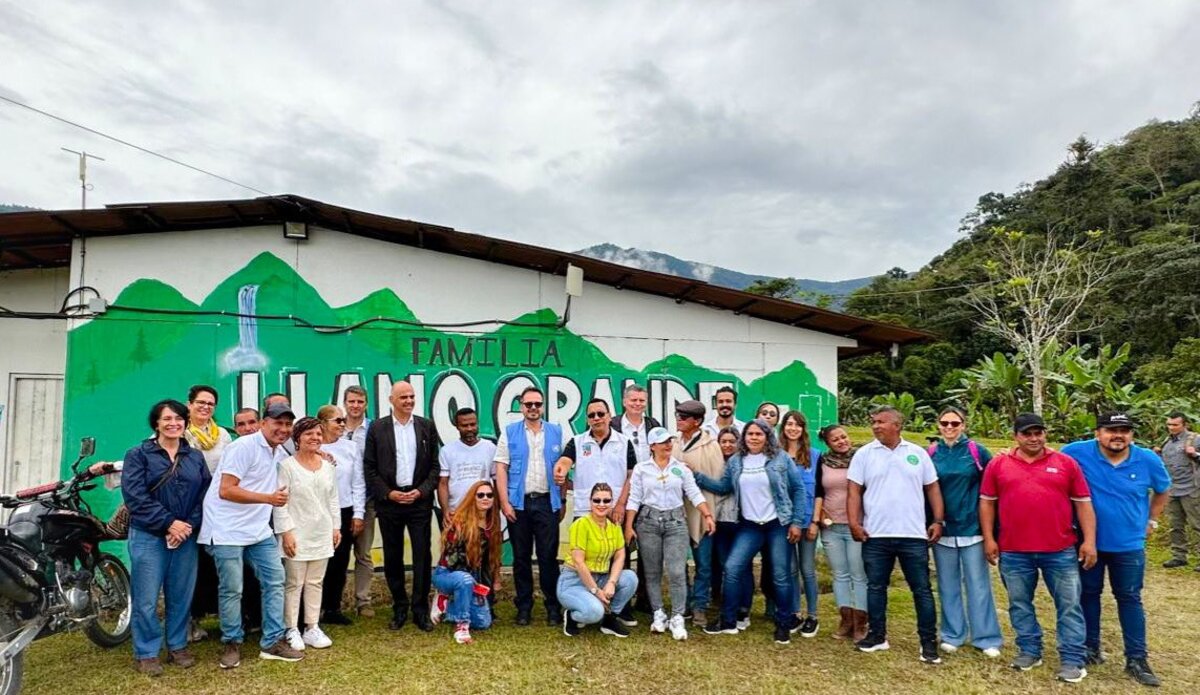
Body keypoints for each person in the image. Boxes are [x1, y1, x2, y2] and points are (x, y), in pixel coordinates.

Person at [980, 413, 1096, 684]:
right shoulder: (999, 464)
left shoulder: (1066, 463)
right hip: (1014, 550)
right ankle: (1030, 650)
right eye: (1027, 433)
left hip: (1060, 549)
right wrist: (989, 538)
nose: (1034, 438)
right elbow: (987, 502)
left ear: (1045, 434)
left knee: (1069, 605)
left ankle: (1072, 659)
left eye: (1038, 433)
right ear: (1015, 436)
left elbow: (1083, 502)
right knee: (1019, 604)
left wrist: (1089, 541)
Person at [1061, 412, 1171, 687]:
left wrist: (1152, 519)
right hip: (1089, 543)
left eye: (1124, 430)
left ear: (1132, 434)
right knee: (1088, 594)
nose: (1118, 435)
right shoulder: (1076, 452)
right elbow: (1045, 461)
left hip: (1129, 545)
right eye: (1111, 430)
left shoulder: (1147, 459)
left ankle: (1136, 658)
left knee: (1129, 598)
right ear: (1097, 432)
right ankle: (1090, 648)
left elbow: (1163, 490)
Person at [198, 402, 304, 669]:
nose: (283, 429)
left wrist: (324, 456)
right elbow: (226, 490)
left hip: (258, 530)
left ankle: (272, 642)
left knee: (275, 581)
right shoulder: (241, 447)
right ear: (263, 424)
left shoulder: (278, 453)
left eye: (287, 424)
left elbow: (299, 466)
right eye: (277, 423)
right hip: (225, 530)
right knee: (232, 589)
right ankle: (232, 642)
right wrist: (268, 498)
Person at [847, 406, 944, 664]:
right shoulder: (864, 454)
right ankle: (877, 636)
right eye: (873, 422)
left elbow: (932, 488)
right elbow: (854, 491)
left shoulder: (917, 454)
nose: (875, 426)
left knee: (921, 589)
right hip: (875, 535)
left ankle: (928, 643)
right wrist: (854, 523)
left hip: (913, 535)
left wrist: (937, 520)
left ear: (897, 425)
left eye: (881, 422)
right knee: (876, 587)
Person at [695, 419, 806, 645]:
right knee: (733, 568)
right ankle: (728, 621)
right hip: (749, 525)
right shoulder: (737, 461)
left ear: (767, 436)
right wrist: (696, 476)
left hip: (778, 524)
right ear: (744, 437)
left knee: (780, 575)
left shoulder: (781, 458)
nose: (753, 438)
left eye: (758, 434)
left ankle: (784, 624)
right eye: (749, 434)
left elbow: (798, 489)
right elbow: (724, 487)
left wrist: (796, 522)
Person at [124, 399, 212, 676]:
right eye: (167, 419)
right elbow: (135, 497)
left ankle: (177, 645)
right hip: (149, 536)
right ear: (156, 423)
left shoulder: (194, 457)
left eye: (178, 418)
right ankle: (147, 652)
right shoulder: (138, 454)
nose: (173, 423)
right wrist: (168, 523)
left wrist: (186, 525)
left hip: (185, 536)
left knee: (180, 596)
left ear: (186, 423)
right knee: (147, 598)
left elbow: (205, 495)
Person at [362, 381, 441, 631]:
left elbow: (435, 467)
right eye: (403, 397)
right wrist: (389, 493)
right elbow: (369, 467)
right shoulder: (377, 428)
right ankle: (399, 607)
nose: (408, 401)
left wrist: (422, 491)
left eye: (412, 396)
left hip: (419, 502)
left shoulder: (426, 426)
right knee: (393, 557)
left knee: (422, 555)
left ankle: (420, 610)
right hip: (390, 504)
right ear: (391, 399)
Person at [625, 427, 715, 640]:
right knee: (652, 571)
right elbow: (634, 498)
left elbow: (693, 493)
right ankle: (658, 612)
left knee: (676, 571)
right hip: (648, 521)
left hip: (675, 522)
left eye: (669, 441)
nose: (668, 445)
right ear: (652, 446)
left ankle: (677, 615)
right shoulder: (641, 469)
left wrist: (707, 515)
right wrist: (629, 526)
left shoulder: (680, 468)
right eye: (663, 442)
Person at [927, 406, 1003, 658]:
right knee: (947, 585)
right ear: (938, 425)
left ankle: (986, 637)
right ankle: (952, 634)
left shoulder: (977, 451)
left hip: (973, 527)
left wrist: (993, 531)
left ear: (964, 424)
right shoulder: (931, 453)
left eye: (955, 423)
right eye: (944, 423)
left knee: (978, 584)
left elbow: (995, 484)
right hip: (943, 530)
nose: (949, 428)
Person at [495, 385, 567, 626]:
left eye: (537, 404)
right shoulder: (510, 432)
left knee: (548, 557)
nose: (533, 408)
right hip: (520, 504)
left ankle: (553, 607)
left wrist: (563, 499)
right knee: (521, 558)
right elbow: (501, 468)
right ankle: (524, 606)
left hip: (547, 502)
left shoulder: (557, 432)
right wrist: (505, 502)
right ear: (521, 407)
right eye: (529, 404)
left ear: (543, 405)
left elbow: (564, 469)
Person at [275, 417, 341, 651]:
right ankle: (290, 628)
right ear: (297, 439)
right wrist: (287, 533)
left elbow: (333, 499)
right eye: (309, 434)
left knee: (315, 582)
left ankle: (311, 627)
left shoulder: (328, 466)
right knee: (294, 583)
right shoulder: (287, 466)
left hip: (322, 532)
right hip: (296, 533)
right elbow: (280, 503)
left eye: (318, 434)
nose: (315, 438)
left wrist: (336, 527)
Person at [671, 400, 729, 628]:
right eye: (678, 415)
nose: (679, 420)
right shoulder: (673, 443)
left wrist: (695, 476)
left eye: (683, 417)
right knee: (678, 563)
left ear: (696, 422)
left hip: (701, 511)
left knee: (703, 564)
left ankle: (700, 607)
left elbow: (719, 484)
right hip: (676, 510)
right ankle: (682, 604)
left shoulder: (711, 445)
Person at [183, 384, 232, 643]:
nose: (205, 407)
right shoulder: (179, 432)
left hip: (216, 510)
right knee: (188, 566)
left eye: (210, 404)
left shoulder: (222, 435)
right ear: (189, 404)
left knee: (210, 566)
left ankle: (218, 617)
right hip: (186, 509)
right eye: (200, 402)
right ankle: (189, 622)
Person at [559, 483, 639, 637]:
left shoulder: (614, 526)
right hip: (574, 581)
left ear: (611, 503)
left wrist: (611, 583)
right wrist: (595, 591)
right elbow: (578, 562)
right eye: (597, 500)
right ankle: (572, 615)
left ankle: (609, 618)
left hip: (601, 577)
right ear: (590, 502)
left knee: (630, 578)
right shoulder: (581, 524)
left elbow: (620, 554)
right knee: (594, 612)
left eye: (606, 501)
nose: (601, 505)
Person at [610, 383, 660, 620]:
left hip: (649, 496)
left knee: (648, 550)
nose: (637, 404)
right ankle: (622, 601)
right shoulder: (613, 425)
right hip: (622, 494)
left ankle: (646, 599)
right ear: (624, 402)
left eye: (641, 400)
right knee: (621, 548)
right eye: (633, 400)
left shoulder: (653, 426)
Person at [430, 480, 502, 644]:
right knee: (465, 580)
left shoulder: (493, 525)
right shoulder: (460, 523)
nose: (485, 498)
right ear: (473, 498)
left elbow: (494, 558)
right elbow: (451, 560)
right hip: (447, 573)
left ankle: (446, 604)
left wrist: (495, 579)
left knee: (483, 623)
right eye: (480, 495)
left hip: (472, 576)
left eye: (490, 495)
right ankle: (462, 627)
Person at [814, 424, 868, 641]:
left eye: (844, 436)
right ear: (827, 443)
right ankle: (845, 619)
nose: (841, 441)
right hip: (831, 526)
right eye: (835, 439)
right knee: (840, 574)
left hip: (857, 525)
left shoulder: (861, 459)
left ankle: (861, 622)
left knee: (859, 574)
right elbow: (818, 490)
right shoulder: (823, 462)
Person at [315, 405, 365, 626]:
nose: (343, 425)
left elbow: (358, 482)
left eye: (344, 420)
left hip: (344, 509)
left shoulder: (351, 448)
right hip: (316, 511)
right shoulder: (311, 446)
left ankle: (332, 608)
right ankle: (312, 610)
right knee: (316, 561)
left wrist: (358, 513)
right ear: (323, 423)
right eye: (338, 421)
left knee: (340, 560)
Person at [553, 398, 635, 520]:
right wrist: (560, 471)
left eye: (601, 414)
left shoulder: (624, 442)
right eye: (591, 415)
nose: (596, 418)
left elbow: (631, 476)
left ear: (609, 416)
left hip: (614, 510)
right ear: (587, 420)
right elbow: (565, 461)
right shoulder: (577, 442)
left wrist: (621, 504)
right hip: (584, 510)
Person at [777, 410, 819, 637]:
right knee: (790, 570)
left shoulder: (814, 456)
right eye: (789, 424)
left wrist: (815, 521)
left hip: (806, 521)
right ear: (783, 428)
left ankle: (813, 615)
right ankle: (794, 613)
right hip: (783, 521)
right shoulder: (776, 455)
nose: (793, 428)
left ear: (803, 429)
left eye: (798, 425)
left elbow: (820, 491)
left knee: (807, 570)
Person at [342, 385, 377, 618]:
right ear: (344, 403)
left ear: (366, 404)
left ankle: (363, 601)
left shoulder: (374, 429)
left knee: (363, 553)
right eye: (351, 401)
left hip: (367, 500)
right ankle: (331, 601)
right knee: (336, 554)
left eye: (360, 402)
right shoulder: (333, 427)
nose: (356, 406)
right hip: (338, 502)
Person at [438, 408, 498, 527]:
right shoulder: (447, 451)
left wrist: (496, 509)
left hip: (483, 513)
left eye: (473, 424)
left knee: (484, 545)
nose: (470, 429)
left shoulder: (490, 448)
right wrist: (445, 510)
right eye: (464, 425)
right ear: (457, 427)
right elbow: (443, 484)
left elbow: (497, 481)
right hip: (456, 513)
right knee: (457, 546)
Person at [1158, 411, 1200, 571]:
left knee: (1197, 524)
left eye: (1175, 425)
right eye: (1169, 424)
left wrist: (1195, 454)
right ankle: (1179, 556)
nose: (1171, 428)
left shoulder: (1195, 439)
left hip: (1192, 488)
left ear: (1185, 425)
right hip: (1172, 489)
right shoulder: (1166, 441)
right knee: (1175, 525)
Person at [714, 426, 745, 629]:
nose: (727, 445)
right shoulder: (715, 463)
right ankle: (727, 606)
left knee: (741, 567)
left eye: (731, 441)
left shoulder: (742, 463)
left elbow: (725, 488)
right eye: (723, 441)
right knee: (724, 565)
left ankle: (743, 609)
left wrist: (699, 478)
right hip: (719, 520)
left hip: (740, 520)